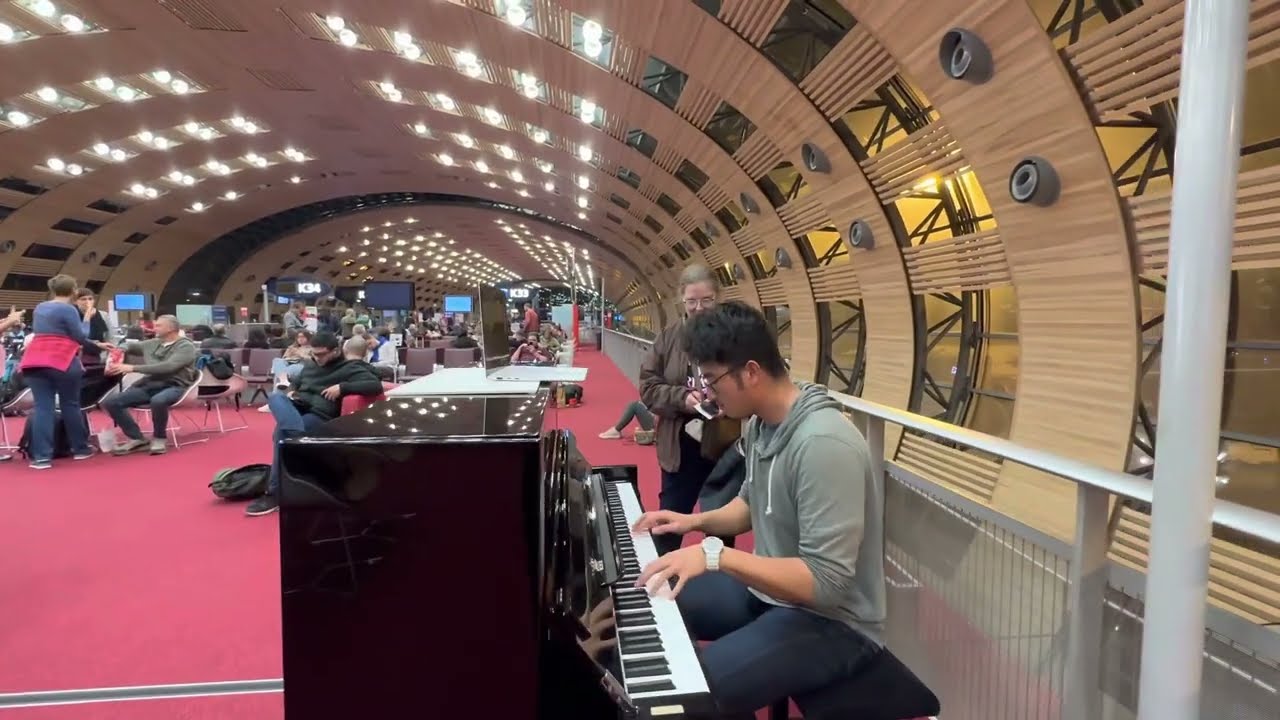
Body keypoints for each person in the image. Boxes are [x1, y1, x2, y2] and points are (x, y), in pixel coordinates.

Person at [631, 301, 885, 716]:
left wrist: (715, 555)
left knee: (688, 696)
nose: (708, 394)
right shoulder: (764, 423)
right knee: (648, 608)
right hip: (774, 594)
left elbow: (827, 583)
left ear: (750, 371)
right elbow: (749, 505)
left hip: (835, 623)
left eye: (713, 380)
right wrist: (691, 520)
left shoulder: (823, 444)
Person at [639, 263, 738, 555]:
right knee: (670, 518)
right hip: (679, 448)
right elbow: (647, 388)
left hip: (725, 445)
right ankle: (660, 583)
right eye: (692, 301)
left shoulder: (733, 337)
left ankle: (720, 588)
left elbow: (750, 382)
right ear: (681, 300)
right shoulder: (668, 339)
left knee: (721, 526)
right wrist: (683, 398)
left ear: (717, 298)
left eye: (706, 300)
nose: (699, 308)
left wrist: (728, 400)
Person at [245, 333, 384, 516]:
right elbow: (295, 383)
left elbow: (375, 385)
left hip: (319, 414)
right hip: (298, 408)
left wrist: (342, 388)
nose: (317, 359)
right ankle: (295, 434)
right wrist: (292, 392)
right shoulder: (310, 366)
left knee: (281, 433)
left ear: (335, 351)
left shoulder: (349, 368)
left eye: (321, 355)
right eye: (314, 354)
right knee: (276, 396)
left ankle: (274, 493)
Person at [16, 276, 111, 468]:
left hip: (34, 359)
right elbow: (80, 336)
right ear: (74, 290)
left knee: (43, 408)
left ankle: (41, 457)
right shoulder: (68, 309)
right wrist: (86, 319)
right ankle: (80, 449)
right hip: (63, 360)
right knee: (71, 405)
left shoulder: (41, 307)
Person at [102, 315, 199, 455]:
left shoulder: (186, 346)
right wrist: (120, 349)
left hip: (176, 386)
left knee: (158, 400)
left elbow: (168, 367)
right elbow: (129, 345)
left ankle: (159, 437)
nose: (154, 328)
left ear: (171, 328)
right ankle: (137, 438)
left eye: (159, 325)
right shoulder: (153, 343)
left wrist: (133, 368)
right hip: (151, 385)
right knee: (111, 402)